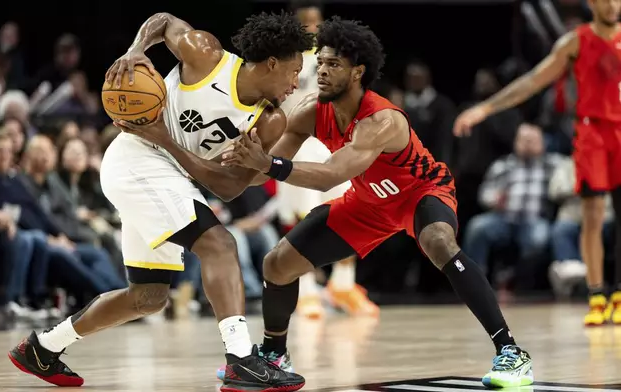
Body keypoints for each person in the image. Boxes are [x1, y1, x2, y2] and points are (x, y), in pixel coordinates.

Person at [219, 17, 533, 388]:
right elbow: (264, 171)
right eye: (319, 61)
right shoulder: (309, 111)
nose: (321, 70)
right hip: (368, 202)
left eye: (333, 64)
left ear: (358, 72)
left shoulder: (382, 120)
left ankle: (511, 353)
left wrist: (266, 163)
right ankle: (274, 355)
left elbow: (332, 173)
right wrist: (238, 162)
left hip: (420, 192)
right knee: (277, 264)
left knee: (438, 242)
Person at [8, 11, 313, 392]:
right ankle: (241, 360)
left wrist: (171, 141)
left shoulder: (269, 121)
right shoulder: (205, 55)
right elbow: (165, 20)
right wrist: (136, 50)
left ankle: (41, 348)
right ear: (272, 63)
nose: (296, 82)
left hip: (169, 174)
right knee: (220, 244)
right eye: (294, 70)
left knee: (147, 298)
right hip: (135, 158)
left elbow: (230, 188)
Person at [453, 0, 621, 326]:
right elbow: (533, 80)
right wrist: (485, 108)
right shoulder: (576, 41)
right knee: (592, 215)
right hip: (592, 133)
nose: (613, 5)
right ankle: (598, 294)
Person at [276, 0, 379, 322]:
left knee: (350, 210)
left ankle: (343, 284)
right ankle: (306, 290)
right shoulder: (283, 58)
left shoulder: (337, 57)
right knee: (305, 220)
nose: (312, 29)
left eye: (316, 23)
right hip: (298, 143)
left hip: (334, 143)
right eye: (305, 23)